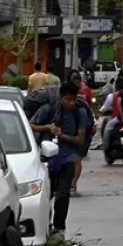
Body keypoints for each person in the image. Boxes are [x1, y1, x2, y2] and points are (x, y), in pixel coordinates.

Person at [30, 83, 88, 234]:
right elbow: (31, 125)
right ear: (61, 98)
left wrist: (62, 136)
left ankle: (59, 228)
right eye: (67, 99)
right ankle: (43, 225)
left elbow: (80, 139)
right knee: (45, 196)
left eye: (73, 100)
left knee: (63, 195)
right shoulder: (47, 109)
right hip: (46, 161)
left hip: (67, 159)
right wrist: (47, 127)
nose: (71, 103)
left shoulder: (79, 113)